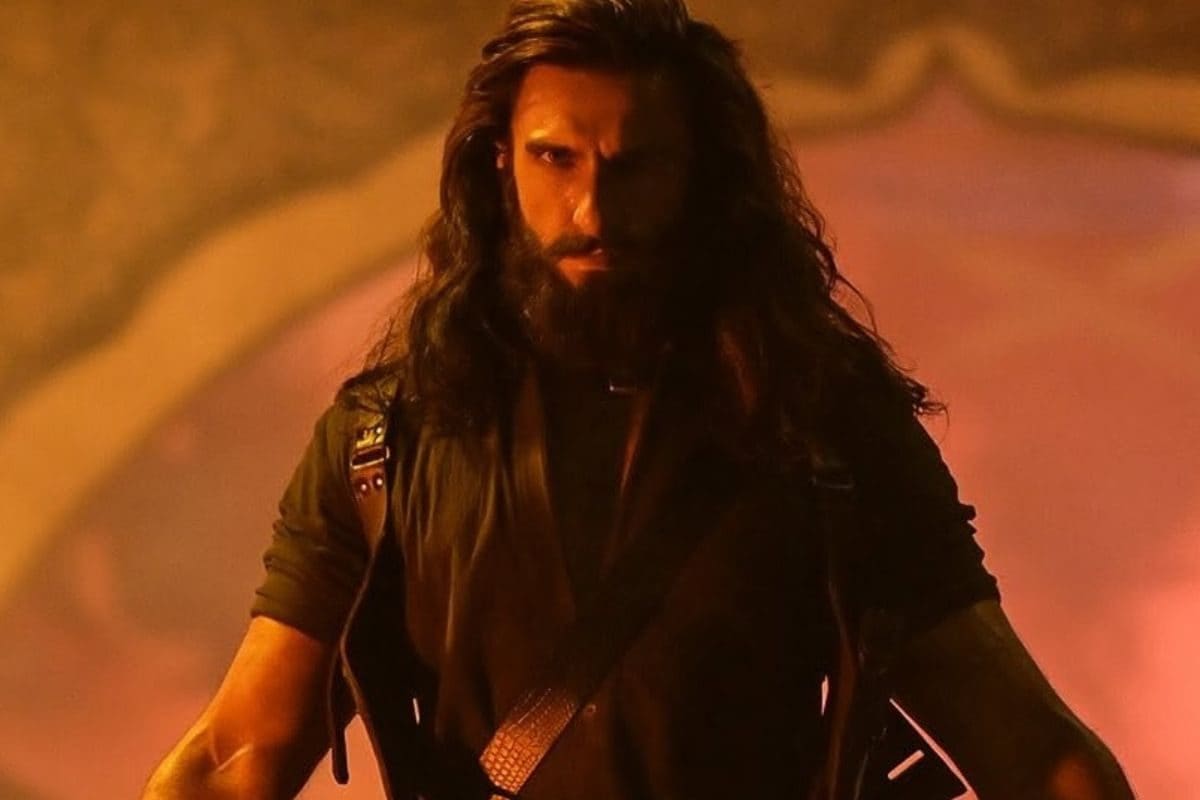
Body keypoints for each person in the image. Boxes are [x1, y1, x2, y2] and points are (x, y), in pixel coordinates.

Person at [143, 1, 1135, 798]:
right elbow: (236, 757)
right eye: (556, 158)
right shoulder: (383, 443)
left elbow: (1031, 751)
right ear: (500, 160)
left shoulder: (824, 429)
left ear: (700, 174)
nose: (593, 210)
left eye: (635, 164)